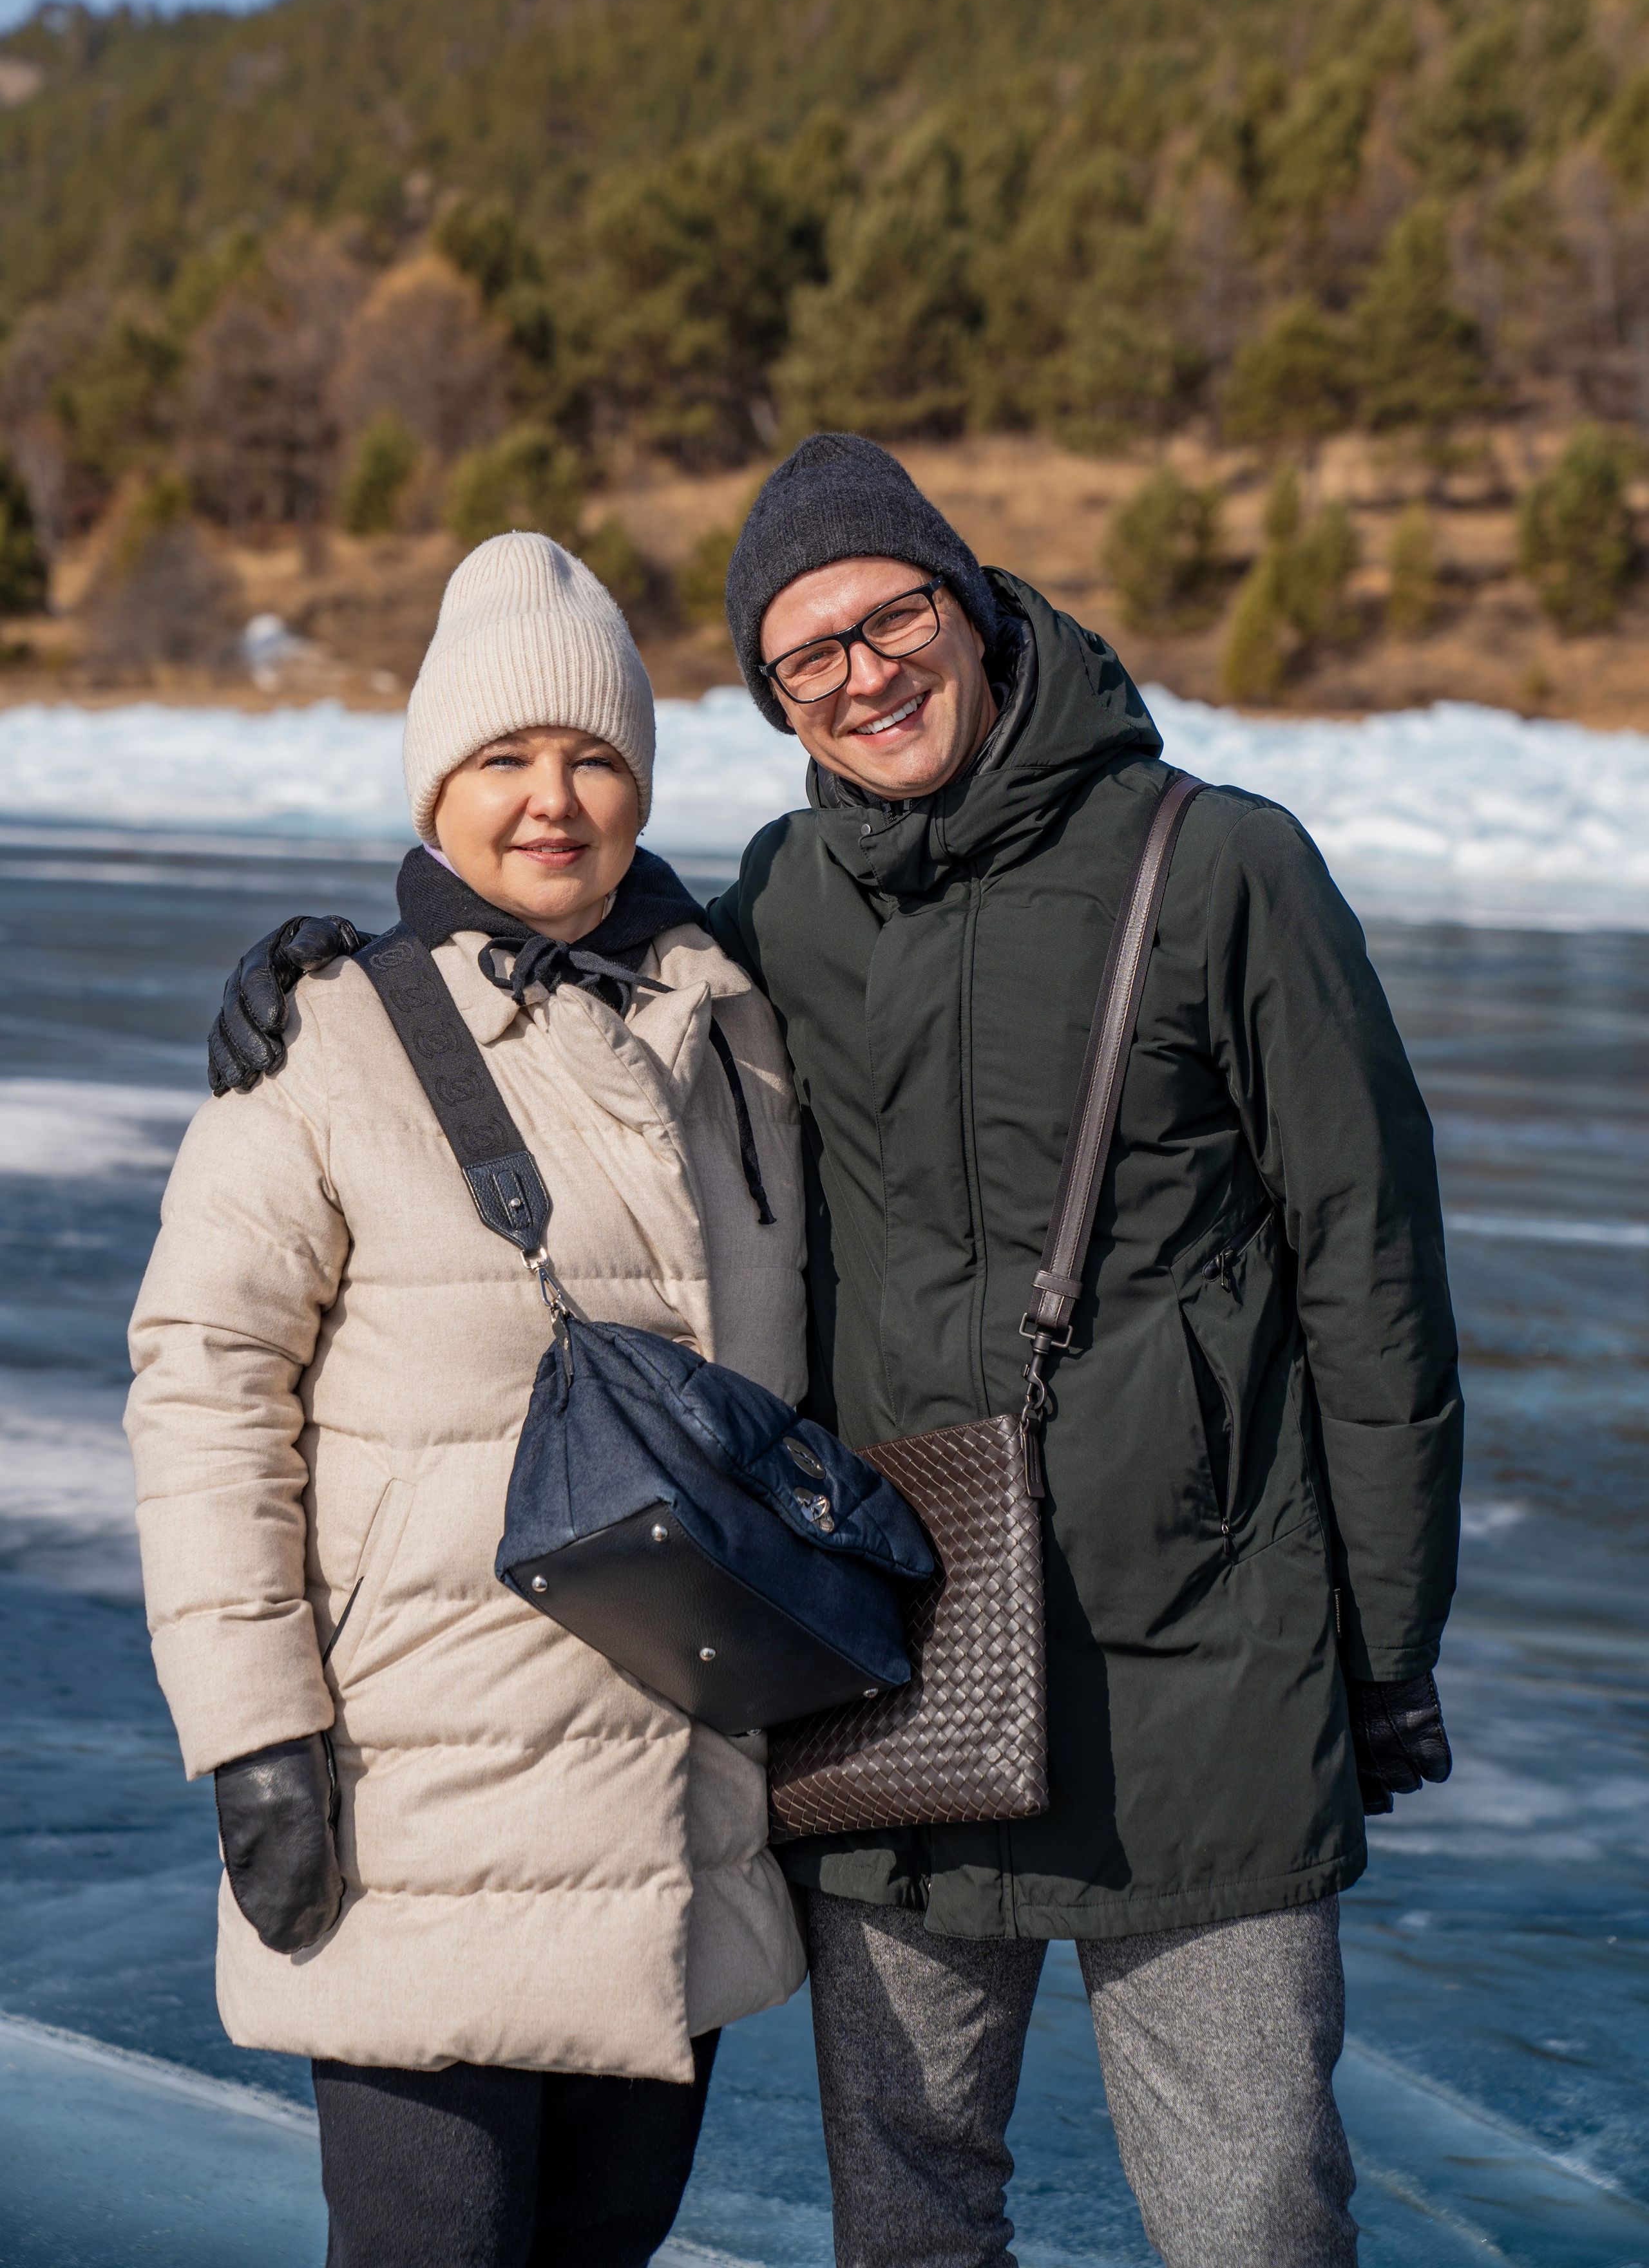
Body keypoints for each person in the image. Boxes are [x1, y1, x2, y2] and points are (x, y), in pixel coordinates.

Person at [210, 438, 1462, 2268]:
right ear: (776, 698)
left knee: (1256, 2209)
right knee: (908, 2206)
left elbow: (1373, 1273)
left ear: (972, 608)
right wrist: (371, 957)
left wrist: (1386, 1641)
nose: (864, 674)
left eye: (894, 617)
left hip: (1205, 1669)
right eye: (810, 657)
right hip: (901, 1652)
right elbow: (580, 978)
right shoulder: (787, 903)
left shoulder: (1225, 871)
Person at [131, 532, 808, 2268]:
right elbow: (205, 1400)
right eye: (505, 757)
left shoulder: (734, 1032)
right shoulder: (325, 1045)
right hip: (412, 1802)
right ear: (439, 783)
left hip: (679, 1790)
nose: (553, 799)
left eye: (593, 757)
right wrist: (254, 1734)